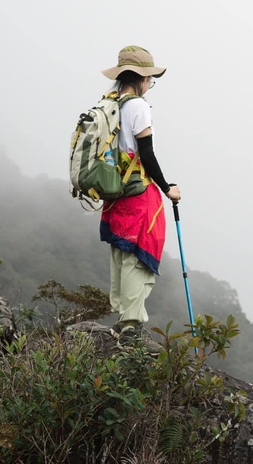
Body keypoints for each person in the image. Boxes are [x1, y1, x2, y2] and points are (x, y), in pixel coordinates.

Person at [98, 45, 181, 340]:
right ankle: (131, 322)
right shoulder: (138, 106)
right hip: (137, 193)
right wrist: (167, 187)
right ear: (141, 78)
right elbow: (147, 153)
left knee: (121, 252)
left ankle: (123, 314)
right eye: (150, 79)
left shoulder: (111, 103)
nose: (150, 85)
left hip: (114, 191)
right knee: (137, 253)